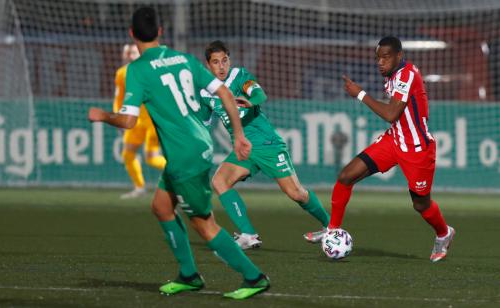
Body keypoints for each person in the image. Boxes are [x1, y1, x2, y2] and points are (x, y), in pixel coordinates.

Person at [88, 7, 270, 299]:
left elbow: (128, 121)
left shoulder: (138, 69)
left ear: (132, 34)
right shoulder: (183, 59)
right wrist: (238, 134)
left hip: (185, 155)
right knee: (161, 207)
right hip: (196, 145)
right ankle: (188, 274)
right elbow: (224, 92)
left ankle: (254, 277)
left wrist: (101, 115)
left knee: (204, 224)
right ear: (160, 31)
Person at [307, 36, 454, 262]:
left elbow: (391, 114)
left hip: (417, 149)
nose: (380, 62)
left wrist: (360, 94)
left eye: (385, 57)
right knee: (346, 176)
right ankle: (332, 230)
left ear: (399, 56)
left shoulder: (407, 75)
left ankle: (444, 233)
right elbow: (397, 119)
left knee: (420, 203)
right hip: (393, 141)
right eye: (378, 58)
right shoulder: (392, 74)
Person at [199, 41, 330, 250]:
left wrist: (251, 101)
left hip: (267, 144)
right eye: (216, 62)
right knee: (220, 181)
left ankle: (331, 227)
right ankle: (248, 234)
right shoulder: (205, 92)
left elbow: (260, 94)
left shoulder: (239, 76)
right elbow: (202, 123)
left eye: (224, 60)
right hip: (244, 149)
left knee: (295, 193)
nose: (221, 66)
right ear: (208, 65)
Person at [113, 44, 166, 199]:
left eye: (133, 52)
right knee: (128, 154)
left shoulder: (151, 70)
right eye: (127, 53)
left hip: (152, 120)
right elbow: (118, 98)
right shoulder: (121, 73)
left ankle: (180, 175)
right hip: (133, 120)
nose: (129, 55)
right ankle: (139, 187)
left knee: (152, 158)